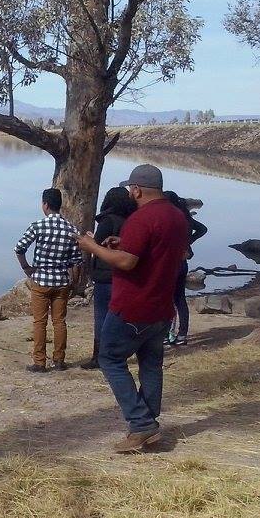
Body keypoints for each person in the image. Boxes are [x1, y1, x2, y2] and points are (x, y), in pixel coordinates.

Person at [78, 164, 189, 452]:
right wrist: (123, 242)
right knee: (150, 364)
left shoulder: (141, 218)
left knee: (110, 359)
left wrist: (92, 246)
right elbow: (157, 250)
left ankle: (141, 424)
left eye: (131, 188)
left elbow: (128, 262)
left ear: (137, 189)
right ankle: (148, 423)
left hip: (133, 306)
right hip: (162, 307)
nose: (130, 193)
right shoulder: (177, 216)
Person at [14, 188, 82, 372]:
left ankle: (39, 362)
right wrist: (74, 283)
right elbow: (77, 261)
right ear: (60, 205)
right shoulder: (71, 229)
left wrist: (26, 268)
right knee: (59, 322)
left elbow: (19, 248)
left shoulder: (38, 225)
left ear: (45, 205)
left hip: (41, 281)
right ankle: (59, 360)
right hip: (62, 282)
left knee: (40, 322)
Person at [81, 188, 136, 370]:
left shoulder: (108, 220)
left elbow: (98, 245)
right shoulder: (131, 221)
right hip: (124, 275)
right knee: (119, 316)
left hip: (105, 276)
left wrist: (90, 240)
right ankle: (117, 353)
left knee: (102, 317)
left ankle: (99, 356)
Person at [163, 191, 209, 346]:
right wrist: (189, 242)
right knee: (180, 299)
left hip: (171, 263)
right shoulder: (186, 218)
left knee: (168, 299)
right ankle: (181, 335)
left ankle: (168, 335)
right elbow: (203, 229)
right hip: (182, 263)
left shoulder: (171, 219)